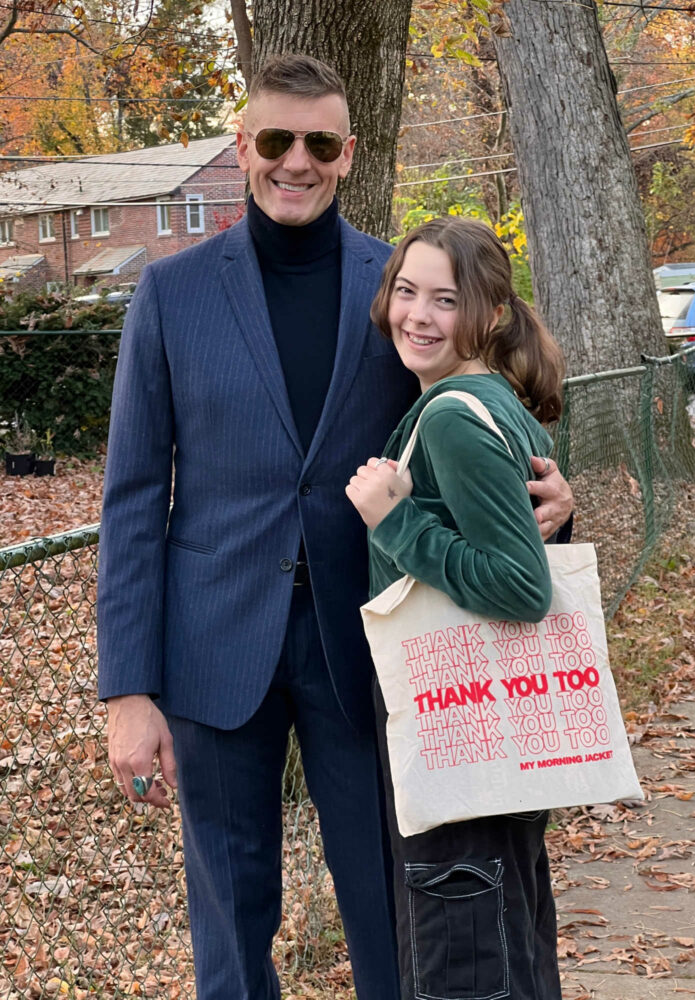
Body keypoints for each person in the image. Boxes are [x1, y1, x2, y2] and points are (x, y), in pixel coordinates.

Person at [97, 55, 573, 1000]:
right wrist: (127, 690)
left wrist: (554, 501)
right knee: (230, 924)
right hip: (213, 650)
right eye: (276, 141)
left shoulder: (401, 288)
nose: (296, 162)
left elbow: (480, 412)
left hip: (373, 646)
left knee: (395, 911)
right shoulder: (172, 292)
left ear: (348, 153)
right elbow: (132, 498)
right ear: (244, 148)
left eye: (319, 143)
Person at [346, 217, 565, 1000]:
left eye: (446, 299)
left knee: (465, 959)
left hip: (455, 732)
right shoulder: (491, 400)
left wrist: (394, 522)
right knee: (509, 943)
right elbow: (523, 524)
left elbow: (520, 586)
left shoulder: (447, 417)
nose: (418, 316)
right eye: (406, 292)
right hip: (489, 729)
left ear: (491, 314)